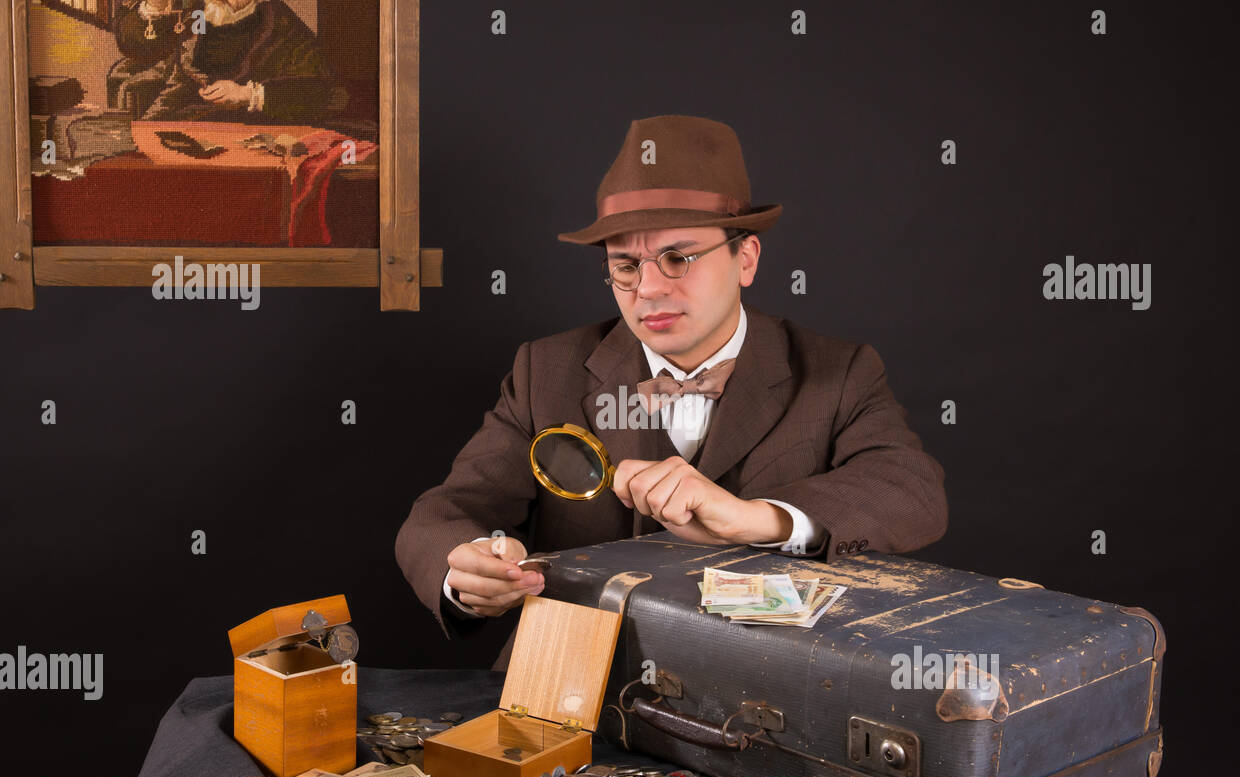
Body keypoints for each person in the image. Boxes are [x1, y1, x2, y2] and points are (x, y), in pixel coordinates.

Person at [395, 115, 948, 670]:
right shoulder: (547, 368)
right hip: (572, 685)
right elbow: (447, 511)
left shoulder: (839, 370)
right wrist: (465, 571)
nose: (650, 288)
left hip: (772, 694)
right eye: (626, 265)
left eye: (678, 258)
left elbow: (912, 491)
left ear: (746, 259)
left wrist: (757, 518)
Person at [112, 0, 336, 123]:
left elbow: (320, 91)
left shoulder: (277, 20)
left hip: (253, 126)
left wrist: (247, 94)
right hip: (190, 123)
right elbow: (172, 65)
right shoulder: (201, 14)